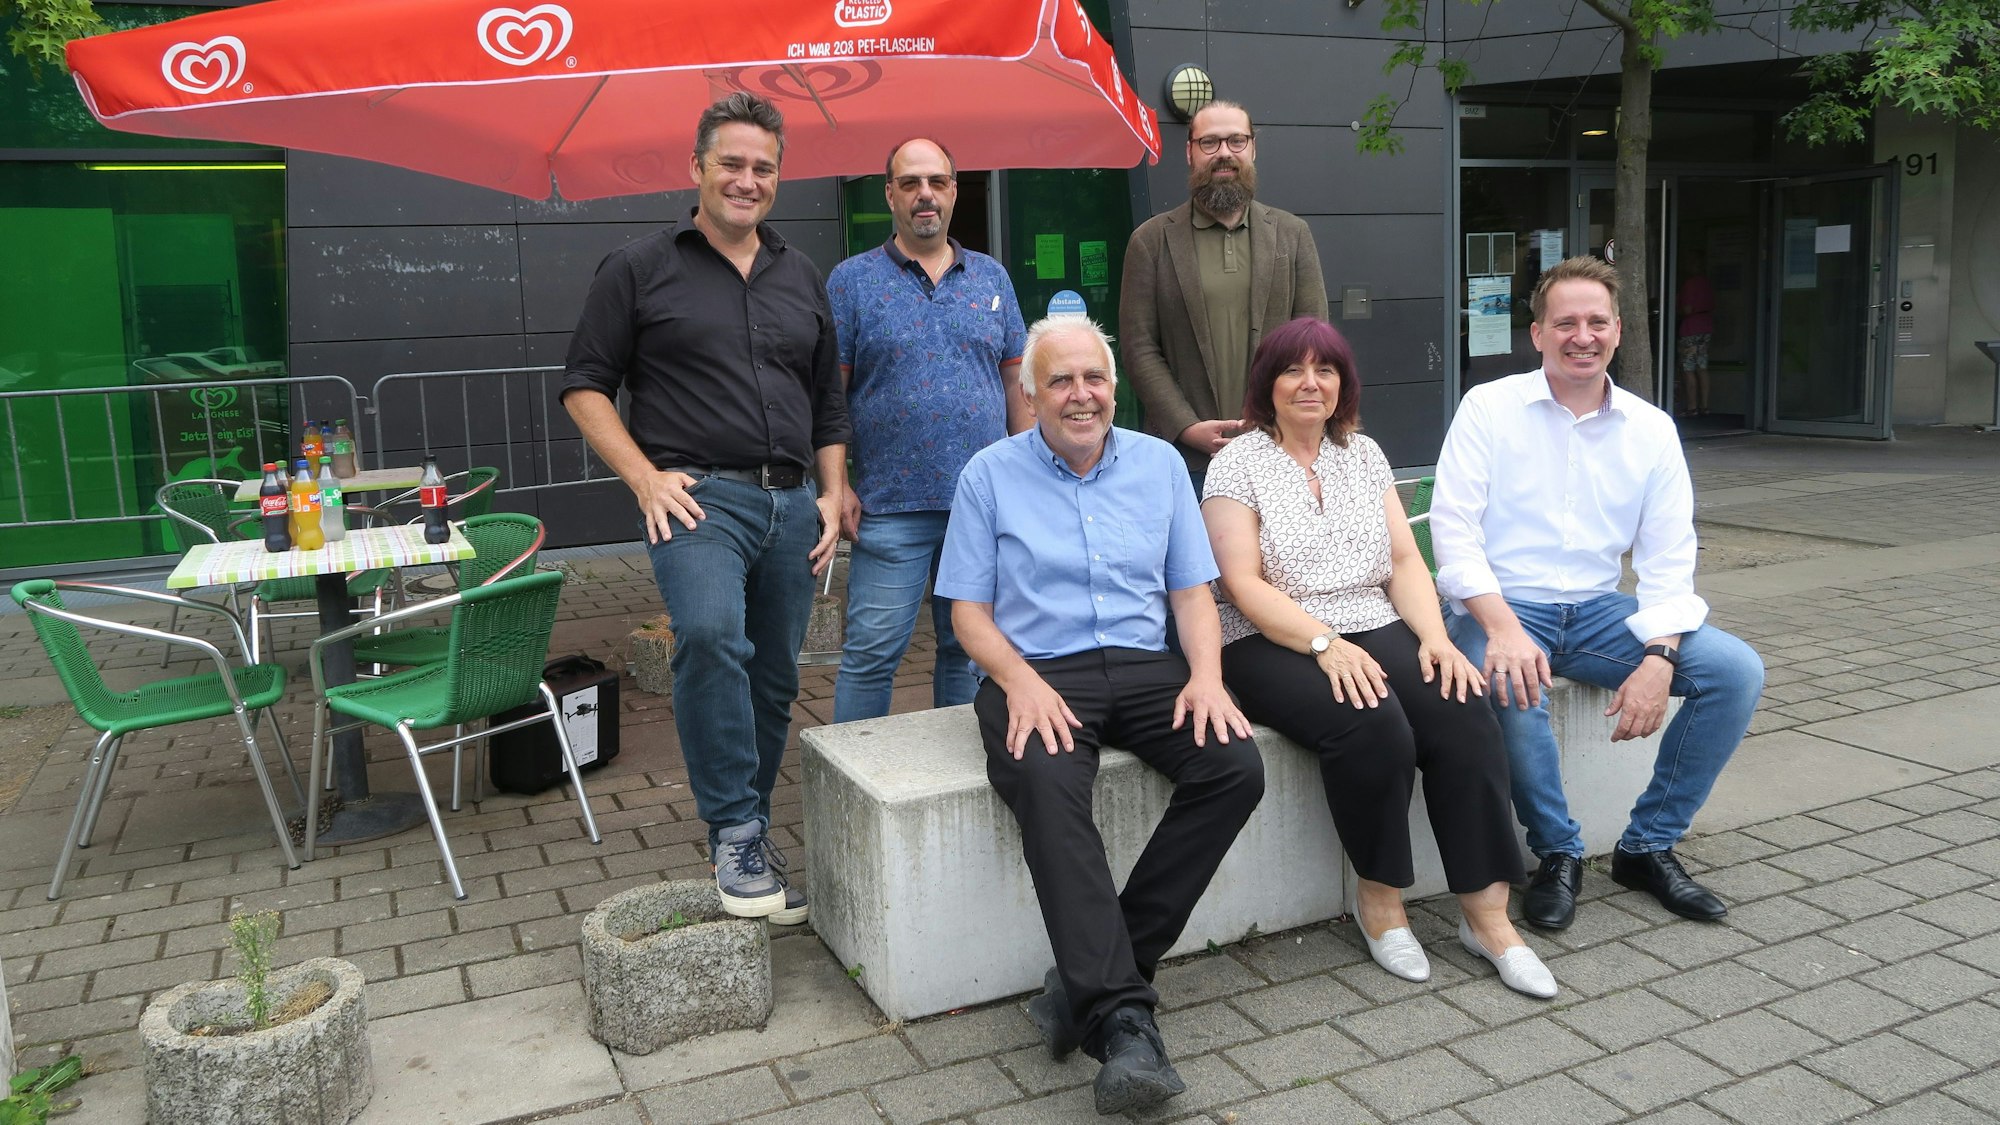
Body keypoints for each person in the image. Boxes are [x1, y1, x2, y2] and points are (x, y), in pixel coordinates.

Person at [935, 316, 1264, 1116]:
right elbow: (966, 615)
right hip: (1037, 672)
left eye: (1094, 379)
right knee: (1047, 782)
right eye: (1060, 381)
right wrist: (1018, 679)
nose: (1080, 395)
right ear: (1030, 392)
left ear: (1113, 385)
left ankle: (1087, 980)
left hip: (1149, 667)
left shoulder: (1157, 464)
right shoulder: (989, 474)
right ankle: (1123, 1024)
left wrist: (1209, 678)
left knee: (1233, 765)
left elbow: (1191, 592)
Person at [1203, 316, 1556, 999]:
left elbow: (1402, 561)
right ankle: (1381, 899)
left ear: (1343, 383)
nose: (1311, 383)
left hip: (1371, 617)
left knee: (1461, 707)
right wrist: (1322, 643)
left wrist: (1436, 639)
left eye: (1325, 369)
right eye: (1292, 369)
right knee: (1372, 723)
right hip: (1266, 634)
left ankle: (1487, 918)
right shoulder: (1236, 462)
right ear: (1266, 384)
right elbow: (1241, 584)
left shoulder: (1362, 454)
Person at [561, 92, 849, 925]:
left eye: (763, 167)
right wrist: (645, 479)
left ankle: (747, 824)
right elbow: (584, 386)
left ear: (778, 177)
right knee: (713, 637)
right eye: (731, 162)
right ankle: (733, 827)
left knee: (776, 674)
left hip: (791, 504)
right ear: (696, 167)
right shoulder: (637, 267)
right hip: (696, 500)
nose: (746, 180)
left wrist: (832, 492)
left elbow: (826, 406)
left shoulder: (802, 277)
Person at [1431, 255, 1765, 931]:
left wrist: (1659, 655)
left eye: (1596, 322)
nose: (1581, 335)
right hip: (1499, 603)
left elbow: (1670, 558)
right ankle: (1557, 852)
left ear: (1617, 330)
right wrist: (1500, 626)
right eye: (1566, 323)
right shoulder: (1488, 408)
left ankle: (1646, 846)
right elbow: (1454, 531)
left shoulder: (1650, 429)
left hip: (1595, 610)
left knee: (1734, 671)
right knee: (1513, 684)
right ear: (1538, 334)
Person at [826, 137, 1029, 722]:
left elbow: (1017, 388)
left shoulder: (991, 277)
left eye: (937, 182)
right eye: (910, 183)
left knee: (965, 652)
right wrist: (838, 486)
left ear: (954, 192)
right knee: (870, 655)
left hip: (981, 507)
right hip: (889, 509)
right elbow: (830, 400)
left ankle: (963, 770)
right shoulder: (851, 282)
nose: (925, 196)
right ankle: (857, 780)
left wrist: (1025, 479)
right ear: (890, 193)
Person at [1121, 99, 1328, 488]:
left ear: (1252, 149)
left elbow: (1313, 341)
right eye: (1210, 143)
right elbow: (1139, 348)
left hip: (1280, 450)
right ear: (1190, 152)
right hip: (1186, 461)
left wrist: (1278, 419)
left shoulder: (1292, 235)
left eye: (1236, 141)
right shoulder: (1150, 242)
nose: (1224, 155)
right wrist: (1186, 427)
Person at [1676, 257, 1715, 417]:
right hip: (1706, 326)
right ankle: (1704, 406)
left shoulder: (1689, 284)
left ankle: (1692, 408)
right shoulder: (1707, 283)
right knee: (1702, 367)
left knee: (1688, 368)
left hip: (1691, 328)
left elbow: (1686, 309)